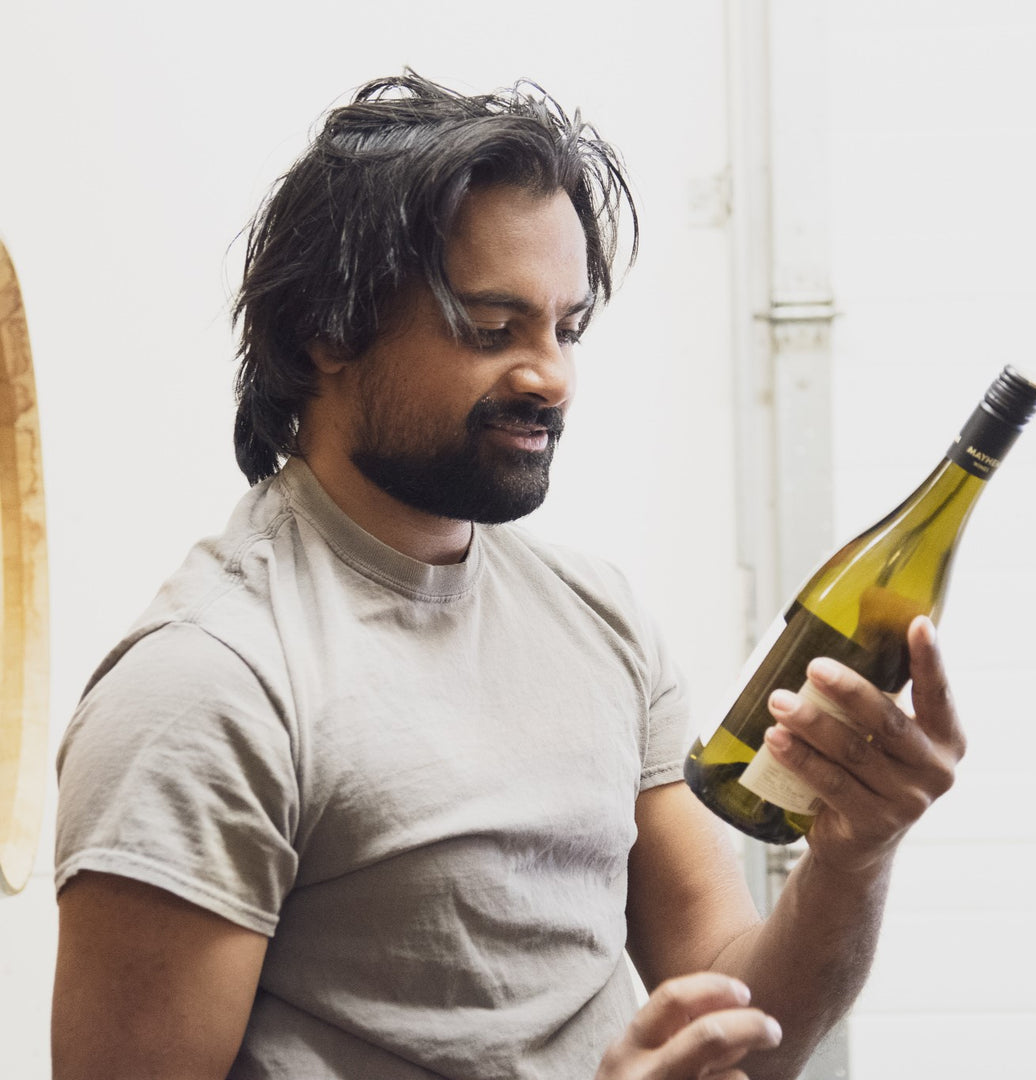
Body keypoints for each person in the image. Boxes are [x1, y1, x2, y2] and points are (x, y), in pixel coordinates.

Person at [51, 72, 964, 1080]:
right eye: (492, 328)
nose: (552, 377)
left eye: (566, 328)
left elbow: (739, 1014)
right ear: (328, 331)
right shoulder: (208, 686)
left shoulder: (599, 619)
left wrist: (853, 855)